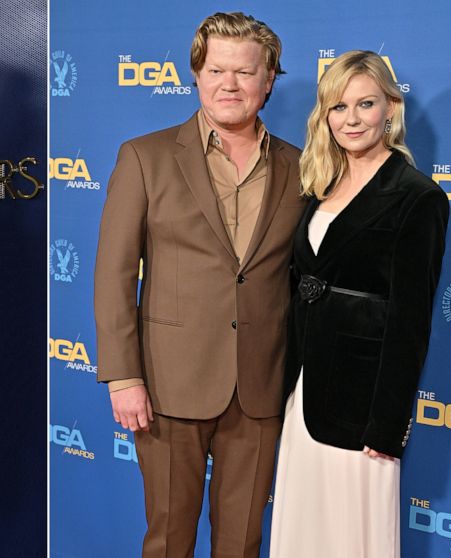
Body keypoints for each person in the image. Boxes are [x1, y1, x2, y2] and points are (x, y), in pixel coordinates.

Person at [94, 12, 305, 558]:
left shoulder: (301, 167)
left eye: (244, 71)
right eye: (216, 69)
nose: (229, 84)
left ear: (269, 79)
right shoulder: (145, 157)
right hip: (167, 384)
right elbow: (114, 275)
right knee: (168, 539)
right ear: (195, 74)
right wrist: (122, 376)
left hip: (260, 386)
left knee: (242, 542)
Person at [269, 50, 449, 558]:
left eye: (365, 104)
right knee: (304, 527)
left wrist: (388, 423)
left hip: (362, 406)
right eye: (338, 106)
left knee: (352, 535)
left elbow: (412, 320)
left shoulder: (418, 197)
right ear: (324, 115)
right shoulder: (318, 181)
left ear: (390, 109)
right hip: (304, 391)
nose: (351, 119)